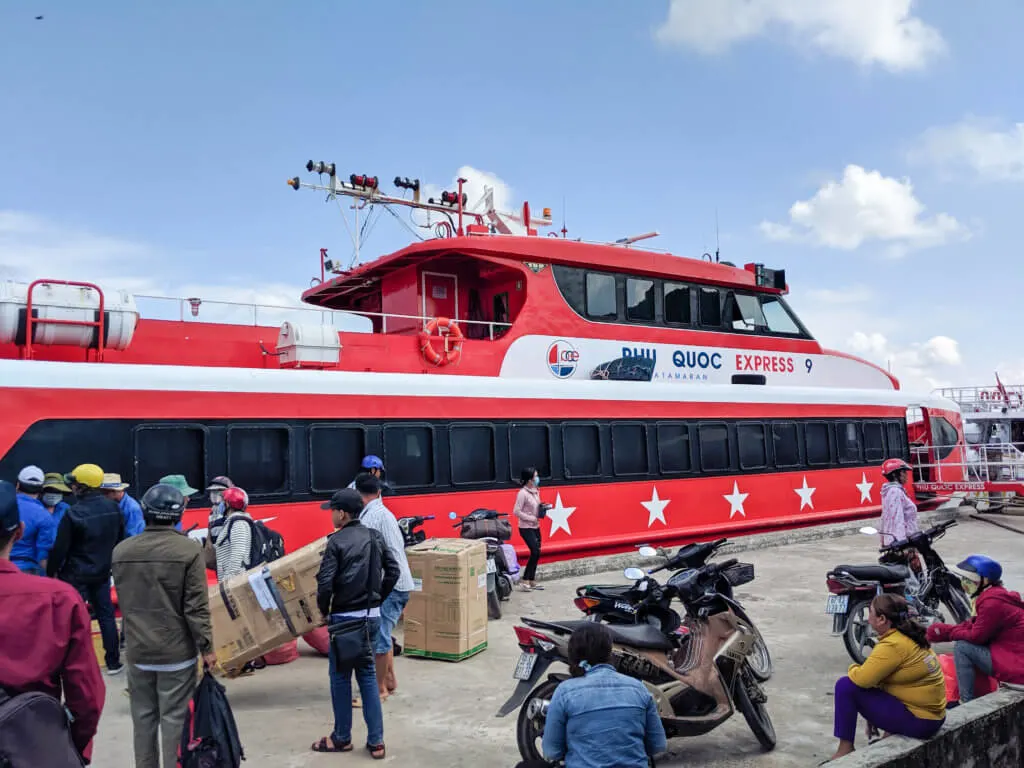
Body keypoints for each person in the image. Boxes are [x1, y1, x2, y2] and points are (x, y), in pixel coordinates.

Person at [0, 480, 105, 763]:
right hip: (31, 746)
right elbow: (86, 697)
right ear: (19, 533)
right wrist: (71, 747)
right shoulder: (58, 599)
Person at [113, 482, 216, 768]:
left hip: (138, 652)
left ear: (145, 512)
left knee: (143, 721)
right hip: (176, 654)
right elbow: (196, 606)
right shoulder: (188, 551)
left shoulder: (121, 551)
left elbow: (127, 601)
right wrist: (207, 647)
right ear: (179, 513)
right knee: (174, 721)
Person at [312, 488, 400, 759]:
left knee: (340, 678)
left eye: (333, 511)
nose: (331, 516)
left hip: (344, 620)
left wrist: (323, 610)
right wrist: (377, 599)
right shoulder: (375, 536)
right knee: (368, 678)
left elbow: (325, 583)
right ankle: (376, 742)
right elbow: (393, 571)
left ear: (342, 513)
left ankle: (341, 738)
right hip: (371, 618)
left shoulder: (336, 542)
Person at [826, 594, 945, 762]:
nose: (868, 618)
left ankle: (845, 749)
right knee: (875, 684)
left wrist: (854, 668)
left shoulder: (893, 645)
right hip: (933, 716)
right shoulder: (908, 635)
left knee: (845, 686)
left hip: (922, 722)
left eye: (871, 612)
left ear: (882, 619)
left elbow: (861, 679)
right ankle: (889, 732)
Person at [541, 622, 666, 768]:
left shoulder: (565, 691)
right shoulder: (638, 688)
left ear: (573, 654)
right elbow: (658, 745)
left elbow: (552, 751)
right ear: (609, 651)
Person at [48, 463, 127, 675]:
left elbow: (59, 549)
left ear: (81, 487)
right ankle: (113, 662)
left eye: (73, 484)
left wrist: (51, 573)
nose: (72, 488)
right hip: (102, 572)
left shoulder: (73, 514)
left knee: (68, 617)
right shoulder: (114, 508)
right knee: (106, 616)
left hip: (75, 574)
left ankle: (68, 663)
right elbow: (120, 539)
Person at [927, 554, 1024, 702]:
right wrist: (944, 631)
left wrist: (949, 633)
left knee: (963, 647)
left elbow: (976, 635)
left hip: (1016, 665)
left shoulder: (992, 603)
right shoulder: (996, 596)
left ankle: (966, 702)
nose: (965, 583)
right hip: (1013, 656)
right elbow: (975, 624)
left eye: (970, 580)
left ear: (985, 581)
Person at [354, 472, 414, 701]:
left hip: (390, 585)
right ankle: (389, 681)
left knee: (378, 639)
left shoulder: (370, 518)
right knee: (385, 635)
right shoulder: (382, 512)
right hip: (398, 582)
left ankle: (378, 690)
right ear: (378, 492)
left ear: (358, 495)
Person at [11, 465, 57, 575]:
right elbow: (43, 554)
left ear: (17, 485)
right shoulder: (44, 516)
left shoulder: (4, 505)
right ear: (41, 489)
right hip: (27, 571)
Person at [213, 486, 253, 582]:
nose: (221, 504)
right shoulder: (231, 522)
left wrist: (226, 583)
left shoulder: (238, 524)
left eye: (223, 501)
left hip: (234, 582)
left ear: (228, 504)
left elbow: (238, 556)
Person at [513, 466, 544, 591]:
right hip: (525, 527)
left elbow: (536, 507)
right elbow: (516, 511)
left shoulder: (536, 491)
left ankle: (532, 580)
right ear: (530, 479)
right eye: (535, 476)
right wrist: (531, 518)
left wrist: (543, 509)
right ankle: (525, 579)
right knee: (534, 551)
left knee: (537, 553)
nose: (537, 478)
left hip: (536, 526)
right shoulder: (522, 493)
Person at [101, 473, 145, 537]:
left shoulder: (132, 508)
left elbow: (133, 535)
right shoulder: (112, 504)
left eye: (105, 493)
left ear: (115, 491)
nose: (103, 495)